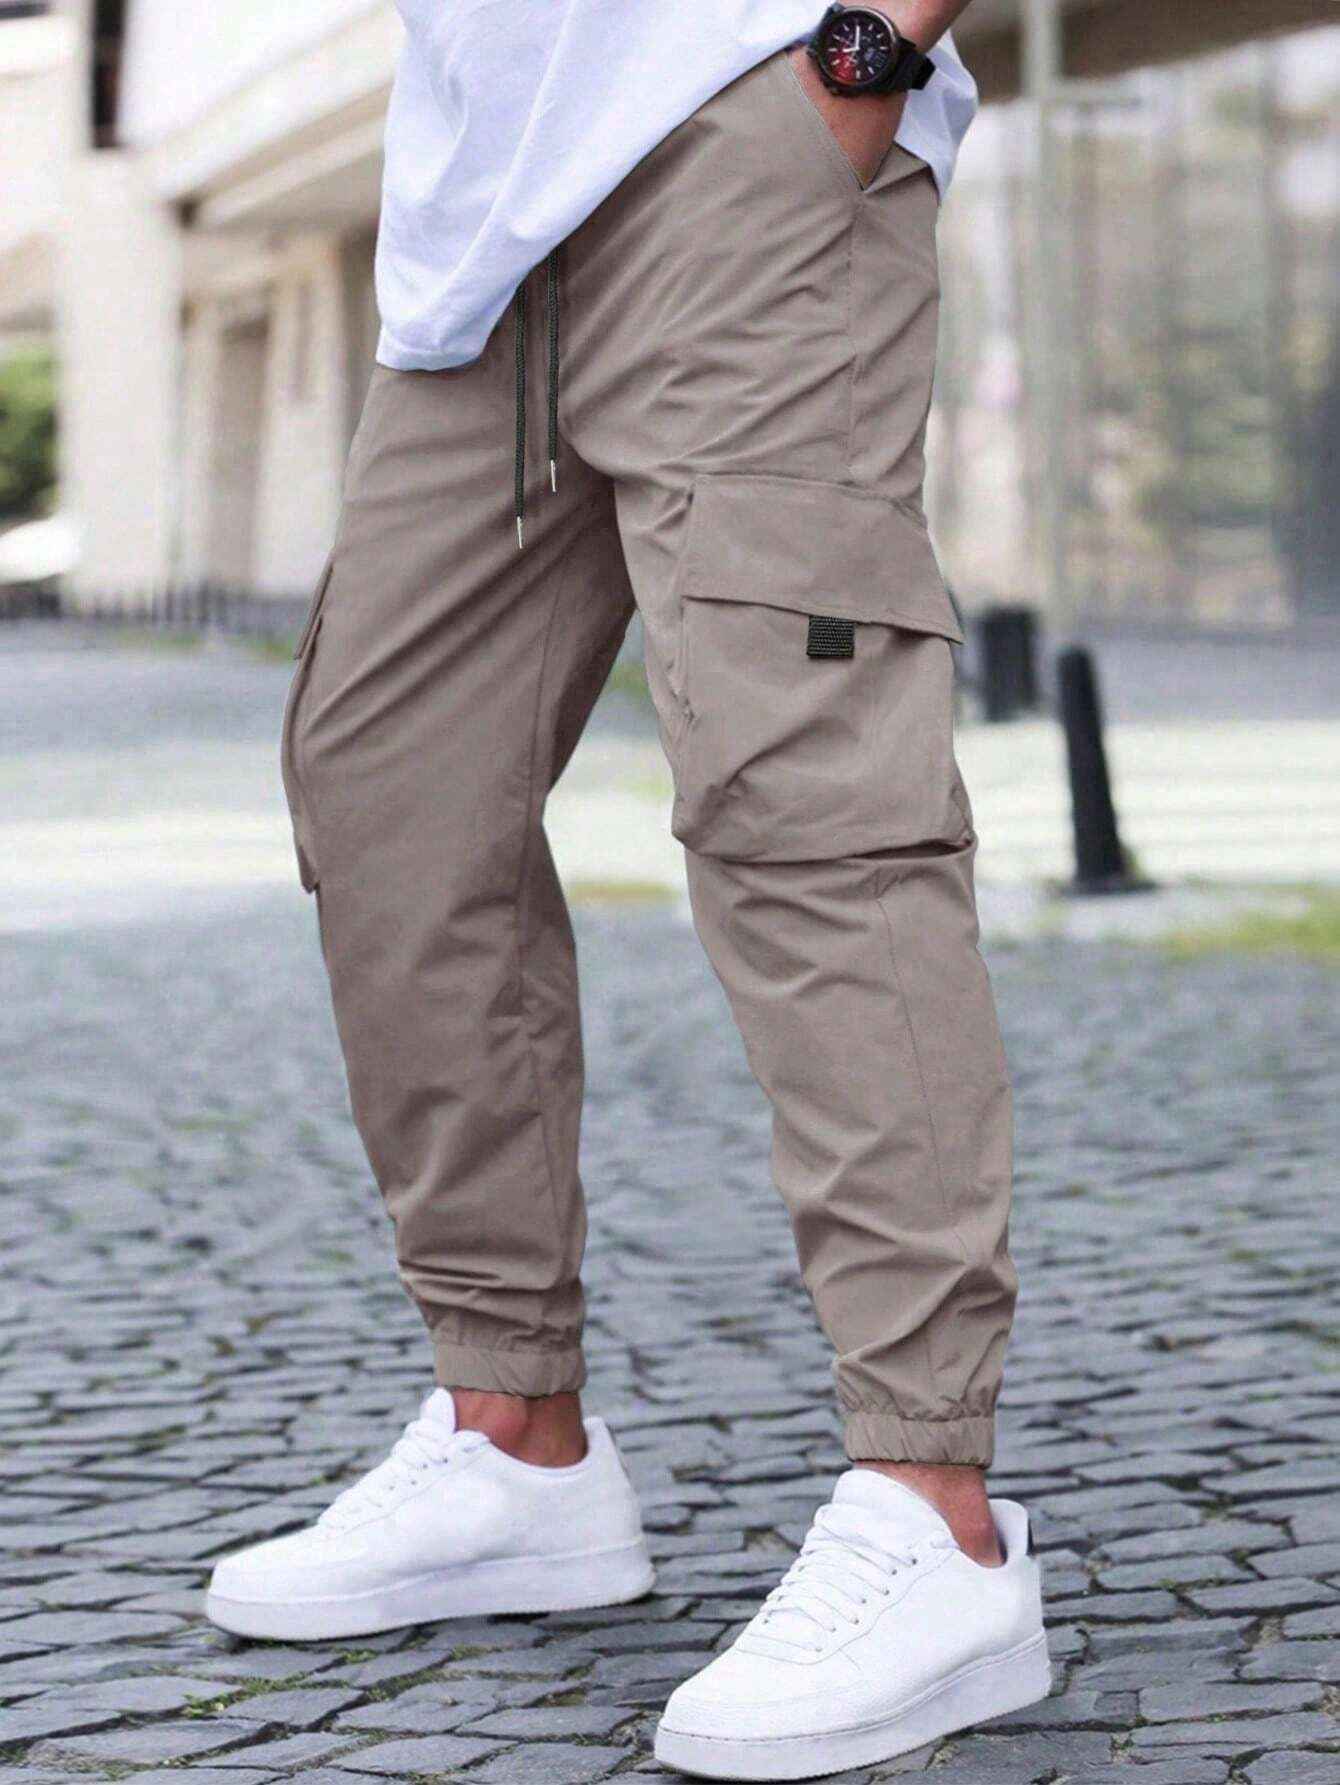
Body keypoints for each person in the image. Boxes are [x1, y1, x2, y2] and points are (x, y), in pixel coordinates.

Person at [205, 2, 1049, 1773]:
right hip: (482, 209)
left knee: (804, 803)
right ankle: (514, 1439)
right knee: (387, 789)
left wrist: (868, 50)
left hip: (749, 119)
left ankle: (935, 1510)